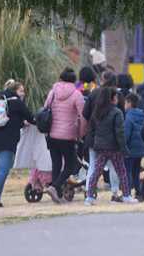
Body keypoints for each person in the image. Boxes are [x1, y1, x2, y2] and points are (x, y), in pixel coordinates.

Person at [0, 80, 35, 208]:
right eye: (21, 90)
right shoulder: (17, 102)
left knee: (2, 171)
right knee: (3, 171)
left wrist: (22, 124)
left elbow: (11, 121)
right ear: (15, 91)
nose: (23, 93)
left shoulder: (2, 101)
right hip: (7, 142)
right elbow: (31, 117)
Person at [84, 87, 137, 205]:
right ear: (112, 98)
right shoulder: (116, 113)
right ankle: (126, 195)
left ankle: (89, 197)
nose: (118, 99)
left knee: (96, 172)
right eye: (116, 97)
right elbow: (120, 133)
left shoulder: (97, 112)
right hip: (114, 148)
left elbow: (92, 130)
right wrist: (124, 148)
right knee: (121, 171)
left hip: (100, 147)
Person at [43, 68, 86, 204]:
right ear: (74, 80)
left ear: (60, 79)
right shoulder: (76, 94)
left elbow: (45, 109)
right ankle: (54, 187)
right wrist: (81, 133)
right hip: (67, 135)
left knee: (56, 163)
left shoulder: (53, 92)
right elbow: (83, 116)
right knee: (71, 164)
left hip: (51, 135)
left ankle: (58, 194)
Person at [123, 93, 144, 198]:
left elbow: (126, 134)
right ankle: (138, 191)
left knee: (127, 171)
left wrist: (123, 146)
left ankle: (127, 192)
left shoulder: (129, 117)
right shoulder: (143, 115)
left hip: (130, 149)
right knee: (136, 171)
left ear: (129, 103)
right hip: (141, 148)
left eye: (125, 102)